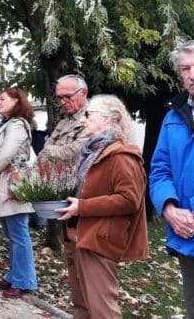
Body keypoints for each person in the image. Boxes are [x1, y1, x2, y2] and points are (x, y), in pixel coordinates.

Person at [56, 95, 148, 318]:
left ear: (108, 119)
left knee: (101, 309)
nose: (83, 119)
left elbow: (129, 199)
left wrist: (83, 207)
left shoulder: (122, 156)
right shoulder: (91, 151)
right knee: (81, 304)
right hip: (76, 235)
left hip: (98, 239)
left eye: (89, 114)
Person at [150, 39, 194, 318]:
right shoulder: (174, 115)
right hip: (191, 238)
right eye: (185, 68)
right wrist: (170, 209)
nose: (192, 73)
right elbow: (159, 169)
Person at [0, 87, 37, 298]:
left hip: (13, 185)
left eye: (2, 99)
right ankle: (15, 275)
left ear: (16, 101)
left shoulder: (18, 125)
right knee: (13, 234)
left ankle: (24, 280)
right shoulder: (5, 124)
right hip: (2, 183)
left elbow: (5, 154)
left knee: (19, 234)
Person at [38, 75, 89, 165]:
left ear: (83, 93)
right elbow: (42, 156)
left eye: (67, 96)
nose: (62, 102)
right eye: (60, 98)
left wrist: (48, 150)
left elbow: (75, 155)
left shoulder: (94, 119)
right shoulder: (63, 122)